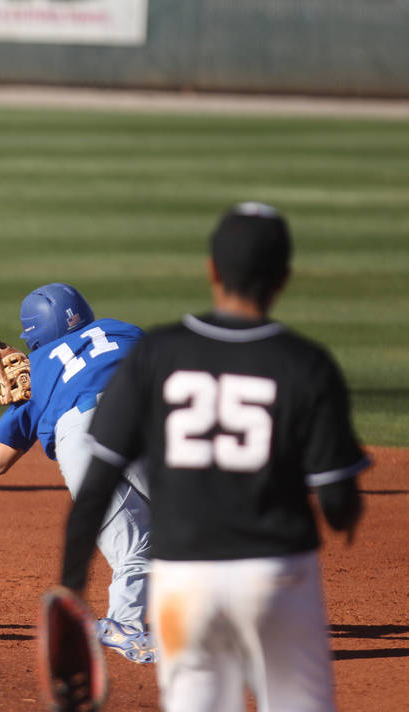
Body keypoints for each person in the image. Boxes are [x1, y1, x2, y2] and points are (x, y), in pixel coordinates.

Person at [61, 202, 369, 711]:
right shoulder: (307, 363)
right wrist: (343, 514)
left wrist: (72, 588)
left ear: (212, 270)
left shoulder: (157, 352)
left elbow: (95, 485)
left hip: (188, 581)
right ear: (284, 278)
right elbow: (338, 498)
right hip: (277, 574)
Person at [0, 283, 156, 664]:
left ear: (35, 333)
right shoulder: (126, 330)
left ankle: (125, 624)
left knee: (134, 550)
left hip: (81, 436)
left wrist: (20, 401)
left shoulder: (40, 370)